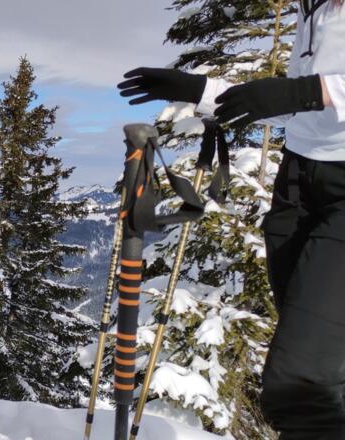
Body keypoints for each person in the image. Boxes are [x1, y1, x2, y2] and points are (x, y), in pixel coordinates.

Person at [118, 1, 345, 438]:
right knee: (328, 363)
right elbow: (303, 104)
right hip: (299, 183)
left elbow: (315, 93)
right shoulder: (311, 6)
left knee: (303, 381)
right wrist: (201, 89)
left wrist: (308, 90)